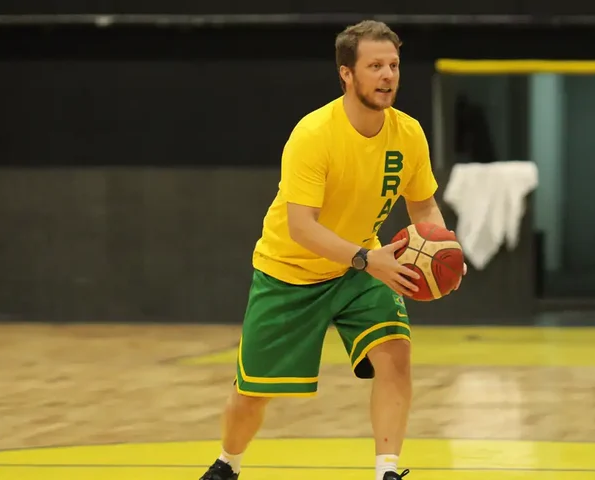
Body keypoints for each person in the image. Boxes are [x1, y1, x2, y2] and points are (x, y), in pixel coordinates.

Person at [199, 19, 465, 480]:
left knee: (395, 355)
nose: (388, 75)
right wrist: (369, 259)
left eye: (394, 65)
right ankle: (228, 463)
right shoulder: (314, 134)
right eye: (375, 66)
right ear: (347, 74)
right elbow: (302, 228)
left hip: (362, 268)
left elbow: (423, 206)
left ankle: (387, 470)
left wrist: (440, 249)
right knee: (252, 394)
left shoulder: (409, 134)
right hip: (291, 272)